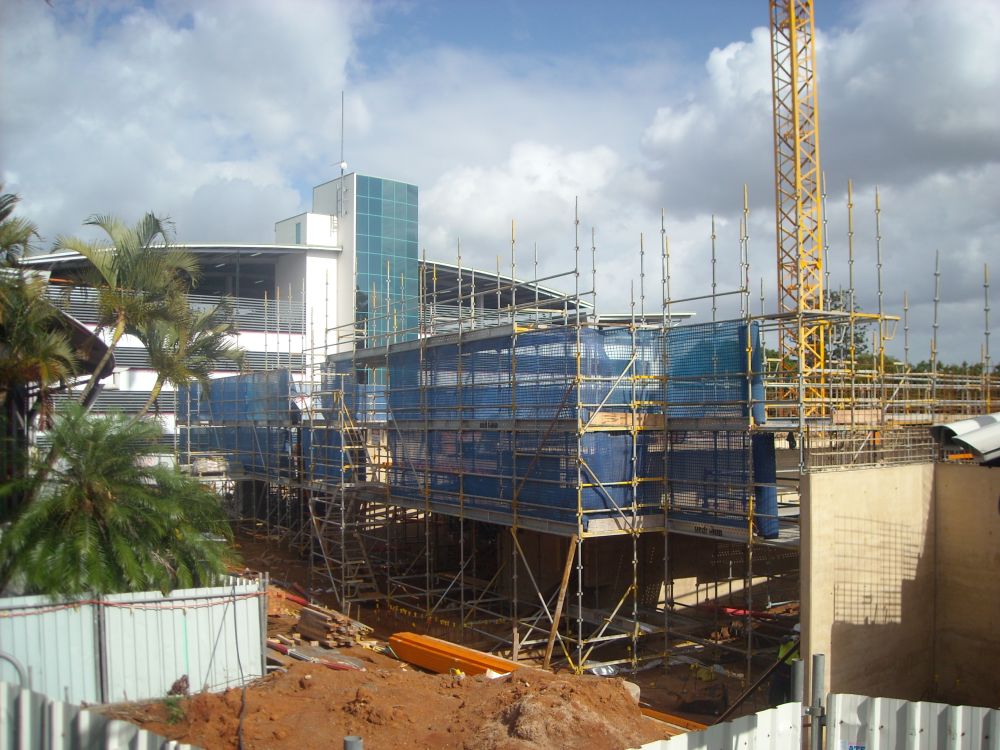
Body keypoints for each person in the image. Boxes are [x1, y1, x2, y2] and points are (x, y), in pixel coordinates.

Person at [768, 625, 800, 706]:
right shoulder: (788, 640)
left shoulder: (802, 645)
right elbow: (782, 640)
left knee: (791, 699)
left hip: (792, 673)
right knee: (776, 699)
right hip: (780, 671)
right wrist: (791, 638)